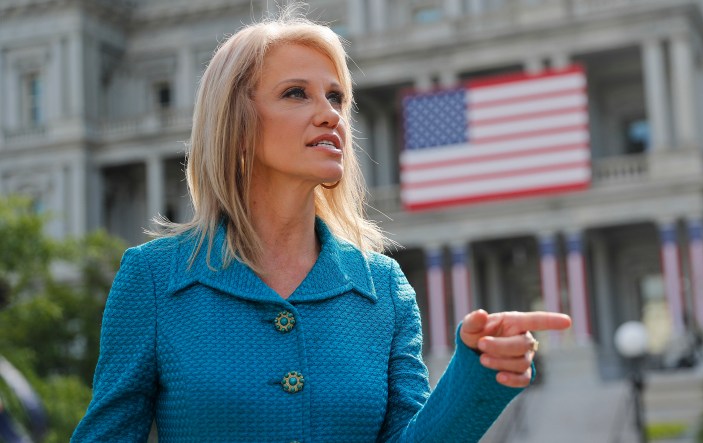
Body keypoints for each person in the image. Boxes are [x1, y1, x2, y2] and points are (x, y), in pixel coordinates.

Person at [71, 9, 571, 443]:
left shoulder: (384, 289)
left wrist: (476, 374)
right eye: (296, 94)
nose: (329, 114)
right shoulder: (155, 278)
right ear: (236, 122)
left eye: (336, 97)